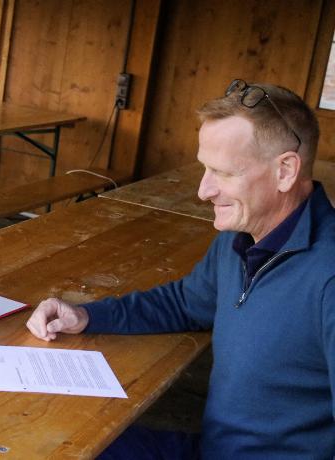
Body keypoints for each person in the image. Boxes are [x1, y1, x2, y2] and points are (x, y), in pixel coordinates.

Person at [27, 79, 334, 459]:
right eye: (205, 169)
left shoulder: (328, 276)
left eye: (223, 173)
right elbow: (186, 303)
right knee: (58, 444)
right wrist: (87, 315)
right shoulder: (242, 237)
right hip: (210, 449)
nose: (204, 191)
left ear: (285, 171)